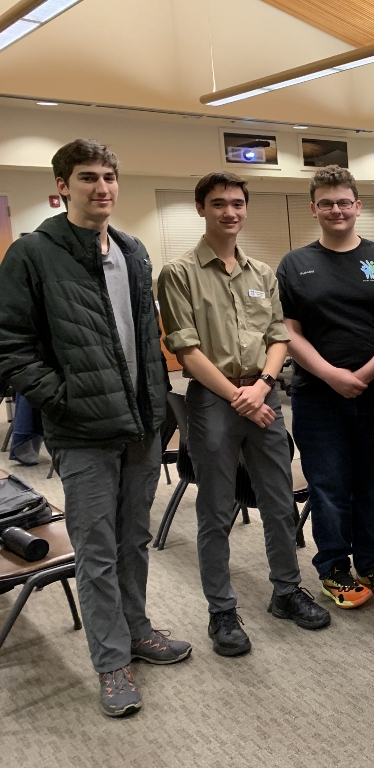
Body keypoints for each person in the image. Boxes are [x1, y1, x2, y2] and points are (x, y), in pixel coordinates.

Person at [0, 139, 191, 717]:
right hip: (83, 432)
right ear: (63, 187)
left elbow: (147, 340)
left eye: (109, 176)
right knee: (97, 549)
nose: (102, 187)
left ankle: (137, 629)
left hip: (139, 425)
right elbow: (11, 347)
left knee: (133, 539)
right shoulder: (33, 253)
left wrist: (157, 408)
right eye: (88, 177)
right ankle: (111, 663)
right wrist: (64, 400)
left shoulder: (132, 251)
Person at [159, 172, 331, 659]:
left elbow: (278, 337)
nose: (229, 212)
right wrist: (241, 397)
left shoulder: (262, 273)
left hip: (263, 393)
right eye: (218, 204)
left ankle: (286, 591)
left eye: (237, 203)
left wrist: (262, 387)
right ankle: (221, 610)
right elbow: (186, 351)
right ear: (201, 210)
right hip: (215, 399)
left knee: (278, 502)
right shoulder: (179, 272)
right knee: (215, 509)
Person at [276, 166, 374, 609]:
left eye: (344, 202)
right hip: (317, 394)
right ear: (314, 208)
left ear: (358, 206)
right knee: (328, 484)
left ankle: (371, 561)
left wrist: (367, 373)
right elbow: (288, 331)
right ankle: (334, 568)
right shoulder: (295, 263)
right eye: (326, 203)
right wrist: (332, 374)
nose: (336, 210)